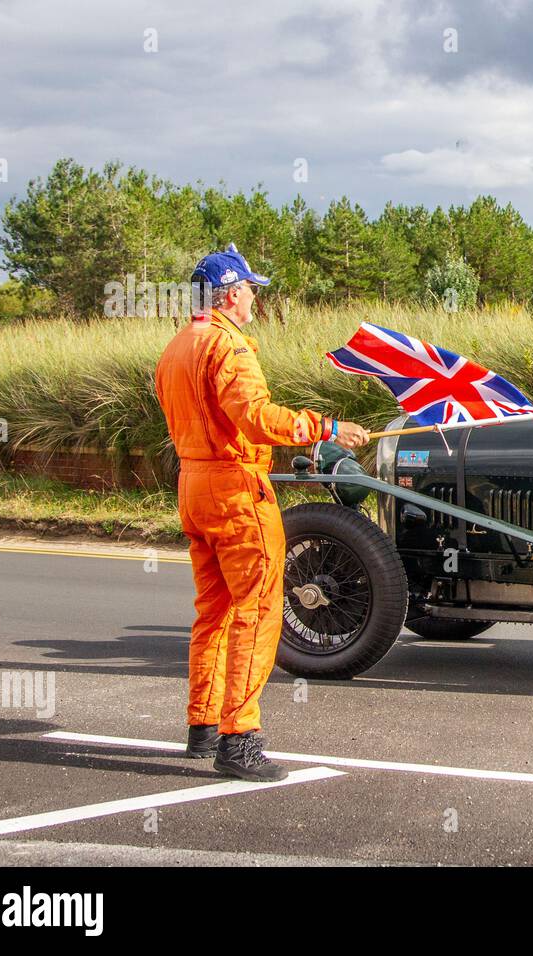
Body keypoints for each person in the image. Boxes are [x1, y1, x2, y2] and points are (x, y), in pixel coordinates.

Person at [154, 244, 369, 782]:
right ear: (230, 293)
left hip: (193, 484)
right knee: (257, 607)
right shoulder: (230, 347)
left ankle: (203, 726)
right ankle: (239, 738)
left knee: (214, 610)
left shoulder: (177, 347)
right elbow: (253, 418)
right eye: (251, 288)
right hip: (234, 489)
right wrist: (325, 428)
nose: (254, 296)